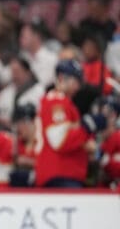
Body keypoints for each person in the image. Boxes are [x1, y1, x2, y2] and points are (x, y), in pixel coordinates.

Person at [35, 60, 106, 188]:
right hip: (60, 174)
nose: (77, 87)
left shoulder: (65, 103)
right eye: (76, 81)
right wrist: (86, 128)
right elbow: (59, 140)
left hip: (64, 174)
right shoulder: (56, 101)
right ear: (62, 77)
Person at [10, 103, 40, 187]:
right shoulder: (15, 142)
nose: (20, 127)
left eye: (23, 123)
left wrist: (30, 162)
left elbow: (50, 167)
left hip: (41, 190)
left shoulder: (42, 142)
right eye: (18, 123)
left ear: (34, 123)